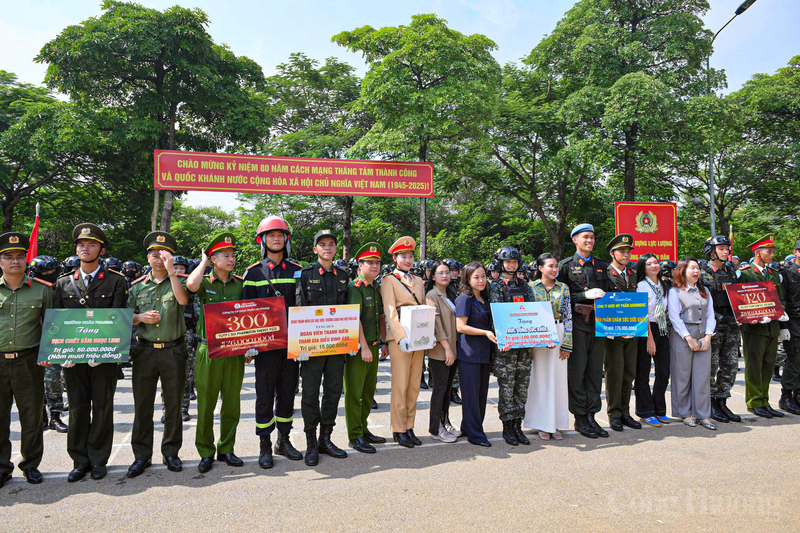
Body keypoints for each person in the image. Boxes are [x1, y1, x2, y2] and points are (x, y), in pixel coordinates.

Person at [55, 224, 128, 482]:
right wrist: (61, 350)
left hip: (103, 358)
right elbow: (58, 321)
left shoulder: (116, 281)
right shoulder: (63, 283)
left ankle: (98, 459)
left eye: (92, 245)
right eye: (81, 245)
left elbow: (119, 318)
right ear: (76, 249)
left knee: (103, 408)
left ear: (102, 250)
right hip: (73, 358)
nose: (85, 248)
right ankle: (79, 460)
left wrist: (108, 351)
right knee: (76, 408)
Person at [126, 232, 190, 477]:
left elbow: (183, 301)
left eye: (164, 254)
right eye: (154, 254)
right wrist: (140, 317)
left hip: (173, 350)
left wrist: (172, 271)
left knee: (173, 404)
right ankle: (141, 456)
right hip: (145, 351)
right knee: (143, 405)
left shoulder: (179, 281)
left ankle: (171, 452)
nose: (158, 258)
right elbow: (125, 316)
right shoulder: (137, 286)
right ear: (147, 257)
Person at [243, 215, 304, 468]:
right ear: (263, 240)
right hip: (266, 349)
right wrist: (247, 345)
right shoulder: (253, 272)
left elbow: (305, 307)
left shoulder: (297, 270)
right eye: (271, 235)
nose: (276, 239)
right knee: (265, 395)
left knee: (288, 393)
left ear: (286, 239)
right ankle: (265, 445)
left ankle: (284, 440)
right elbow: (245, 311)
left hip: (292, 346)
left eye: (280, 235)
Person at [186, 233, 248, 473]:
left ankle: (227, 448)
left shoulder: (240, 283)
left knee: (232, 403)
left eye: (233, 255)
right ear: (214, 259)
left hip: (234, 350)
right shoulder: (205, 281)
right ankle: (205, 451)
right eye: (226, 255)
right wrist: (203, 262)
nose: (231, 259)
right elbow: (190, 286)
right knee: (206, 404)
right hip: (208, 349)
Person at [0, 232, 53, 487]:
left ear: (26, 261)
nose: (14, 261)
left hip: (28, 360)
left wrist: (46, 353)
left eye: (20, 257)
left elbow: (50, 327)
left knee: (31, 417)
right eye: (8, 257)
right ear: (0, 262)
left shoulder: (42, 291)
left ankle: (30, 465)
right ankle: (2, 467)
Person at [296, 229, 350, 466]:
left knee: (332, 392)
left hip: (337, 346)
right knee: (309, 394)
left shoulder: (343, 275)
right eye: (322, 244)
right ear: (315, 249)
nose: (327, 248)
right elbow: (299, 309)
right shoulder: (305, 275)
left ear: (336, 249)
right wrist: (300, 346)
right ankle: (310, 443)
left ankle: (325, 439)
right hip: (312, 347)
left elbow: (348, 309)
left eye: (331, 244)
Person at [557, 224, 609, 439]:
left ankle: (592, 416)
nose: (590, 241)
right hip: (577, 327)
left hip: (599, 326)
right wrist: (583, 296)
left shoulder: (602, 266)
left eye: (592, 237)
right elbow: (557, 296)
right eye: (585, 237)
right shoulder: (565, 266)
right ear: (575, 240)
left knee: (595, 373)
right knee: (577, 373)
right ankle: (580, 418)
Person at [381, 237, 426, 448]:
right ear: (395, 258)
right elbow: (390, 311)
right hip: (401, 339)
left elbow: (423, 309)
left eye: (410, 256)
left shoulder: (418, 280)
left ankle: (409, 426)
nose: (408, 260)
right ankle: (398, 429)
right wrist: (400, 336)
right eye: (403, 256)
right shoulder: (389, 280)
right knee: (400, 385)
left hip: (418, 337)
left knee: (414, 385)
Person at [738, 236, 790, 418]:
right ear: (757, 252)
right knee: (754, 365)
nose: (772, 254)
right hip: (754, 327)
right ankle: (754, 402)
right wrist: (751, 316)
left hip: (772, 326)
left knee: (768, 365)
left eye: (773, 251)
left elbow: (780, 299)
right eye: (769, 251)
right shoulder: (745, 273)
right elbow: (740, 300)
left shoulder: (774, 274)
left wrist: (783, 322)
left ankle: (765, 401)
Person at [345, 243, 389, 454]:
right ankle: (354, 435)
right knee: (355, 393)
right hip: (358, 348)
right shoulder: (356, 287)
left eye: (377, 262)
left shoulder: (377, 287)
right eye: (369, 262)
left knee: (368, 392)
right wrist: (363, 345)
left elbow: (380, 316)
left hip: (373, 345)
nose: (374, 265)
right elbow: (355, 318)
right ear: (360, 265)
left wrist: (384, 341)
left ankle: (364, 429)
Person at [488, 246, 533, 446]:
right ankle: (507, 427)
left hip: (524, 347)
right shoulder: (495, 286)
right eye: (507, 262)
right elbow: (496, 316)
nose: (511, 265)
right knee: (507, 387)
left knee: (522, 387)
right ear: (501, 263)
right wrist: (503, 339)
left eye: (514, 262)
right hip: (506, 348)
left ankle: (518, 425)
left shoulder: (525, 286)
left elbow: (533, 313)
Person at [525, 253, 572, 441]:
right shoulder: (530, 288)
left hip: (558, 332)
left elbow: (568, 316)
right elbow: (527, 315)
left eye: (555, 266)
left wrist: (567, 344)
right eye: (550, 266)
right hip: (537, 334)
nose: (554, 269)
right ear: (540, 268)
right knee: (539, 379)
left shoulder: (564, 288)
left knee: (558, 381)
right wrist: (528, 346)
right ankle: (541, 423)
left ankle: (556, 423)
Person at [456, 261, 503, 447]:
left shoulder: (485, 298)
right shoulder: (464, 298)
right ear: (467, 279)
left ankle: (469, 427)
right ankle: (475, 435)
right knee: (471, 396)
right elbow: (460, 326)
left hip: (484, 352)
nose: (481, 280)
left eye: (483, 276)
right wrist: (484, 332)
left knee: (481, 394)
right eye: (476, 277)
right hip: (469, 353)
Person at [668, 257, 717, 430]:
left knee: (702, 376)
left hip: (703, 334)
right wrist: (688, 338)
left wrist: (708, 336)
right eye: (692, 268)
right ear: (682, 271)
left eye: (698, 269)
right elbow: (674, 317)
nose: (696, 272)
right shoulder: (675, 292)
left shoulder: (704, 291)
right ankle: (685, 413)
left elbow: (711, 315)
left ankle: (703, 414)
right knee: (682, 375)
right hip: (683, 335)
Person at [699, 235, 742, 423]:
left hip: (732, 326)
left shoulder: (732, 270)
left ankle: (722, 401)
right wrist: (719, 317)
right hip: (713, 327)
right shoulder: (701, 271)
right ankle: (709, 403)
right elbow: (699, 302)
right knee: (711, 366)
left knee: (730, 366)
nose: (726, 251)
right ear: (711, 250)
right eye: (722, 248)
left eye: (727, 248)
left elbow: (740, 295)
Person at [604, 234, 641, 432]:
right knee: (615, 374)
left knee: (629, 374)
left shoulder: (633, 273)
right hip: (613, 333)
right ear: (613, 253)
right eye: (622, 252)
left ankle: (626, 413)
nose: (626, 255)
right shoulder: (605, 273)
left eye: (628, 252)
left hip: (633, 330)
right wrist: (608, 328)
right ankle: (614, 414)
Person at [29, 255, 68, 433]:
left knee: (53, 381)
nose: (49, 276)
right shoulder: (29, 289)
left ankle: (55, 416)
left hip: (55, 342)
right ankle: (40, 417)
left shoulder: (62, 287)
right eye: (44, 273)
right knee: (33, 383)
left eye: (52, 272)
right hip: (31, 343)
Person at [634, 254, 671, 427]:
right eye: (649, 264)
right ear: (643, 267)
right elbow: (642, 312)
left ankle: (659, 409)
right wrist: (649, 338)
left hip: (662, 328)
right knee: (643, 373)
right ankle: (645, 411)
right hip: (646, 329)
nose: (654, 266)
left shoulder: (664, 285)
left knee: (663, 372)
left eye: (655, 262)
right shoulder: (641, 286)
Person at [425, 261, 459, 443]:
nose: (445, 275)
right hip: (440, 350)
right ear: (433, 276)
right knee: (439, 389)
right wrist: (447, 348)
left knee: (447, 390)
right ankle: (435, 428)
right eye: (440, 273)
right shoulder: (432, 295)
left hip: (453, 348)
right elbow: (436, 324)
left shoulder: (451, 293)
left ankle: (445, 422)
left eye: (447, 272)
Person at [780, 238, 800, 414]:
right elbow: (782, 300)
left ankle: (798, 395)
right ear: (796, 252)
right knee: (794, 360)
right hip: (793, 322)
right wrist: (783, 325)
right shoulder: (787, 273)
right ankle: (786, 396)